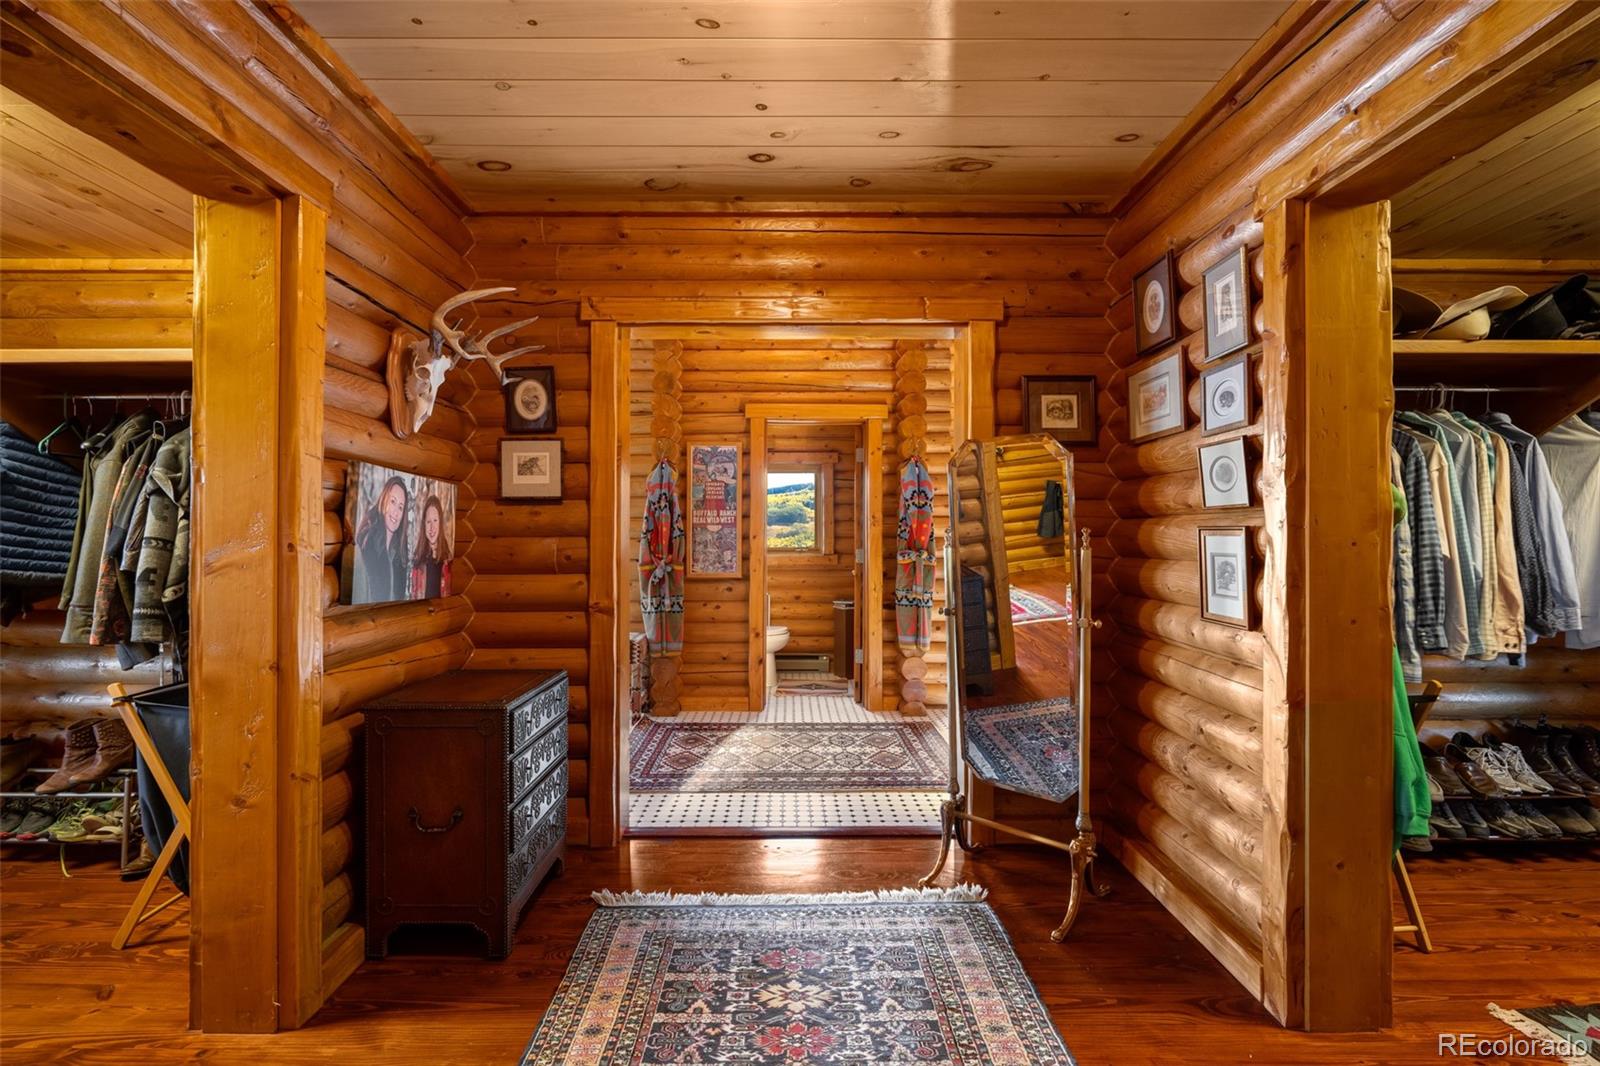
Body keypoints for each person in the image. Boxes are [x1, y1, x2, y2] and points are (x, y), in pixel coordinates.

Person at [354, 475, 409, 603]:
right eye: (393, 501)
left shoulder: (399, 553)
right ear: (384, 500)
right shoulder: (367, 543)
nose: (396, 512)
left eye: (401, 507)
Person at [409, 493, 451, 599]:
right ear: (424, 525)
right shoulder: (417, 561)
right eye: (428, 522)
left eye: (435, 521)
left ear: (440, 522)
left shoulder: (449, 561)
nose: (432, 527)